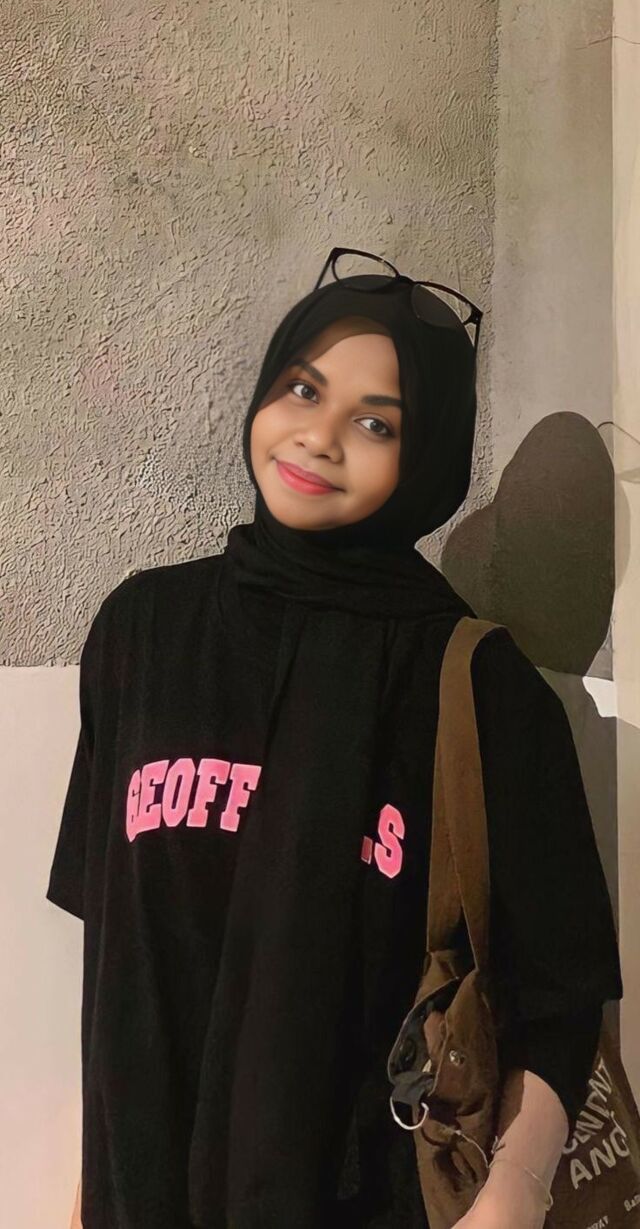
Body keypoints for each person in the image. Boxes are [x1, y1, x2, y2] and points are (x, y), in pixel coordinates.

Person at [46, 262, 623, 1229]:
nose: (319, 434)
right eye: (303, 389)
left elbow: (559, 996)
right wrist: (83, 1183)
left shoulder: (477, 688)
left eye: (377, 422)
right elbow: (117, 953)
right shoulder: (142, 634)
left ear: (428, 455)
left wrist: (511, 1199)